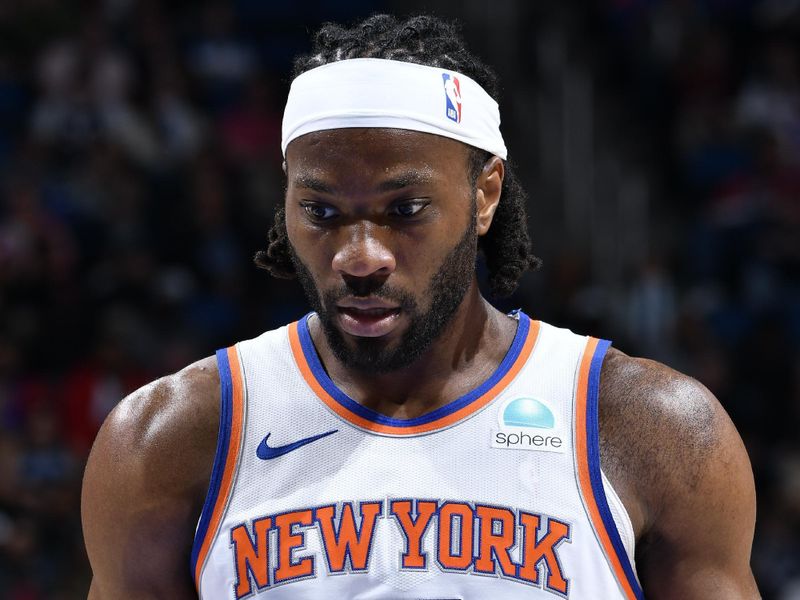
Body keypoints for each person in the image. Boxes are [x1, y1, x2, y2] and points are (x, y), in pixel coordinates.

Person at [81, 14, 759, 600]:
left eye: (404, 211)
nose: (360, 255)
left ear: (486, 193)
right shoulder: (170, 440)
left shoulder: (652, 431)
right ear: (285, 197)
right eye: (321, 212)